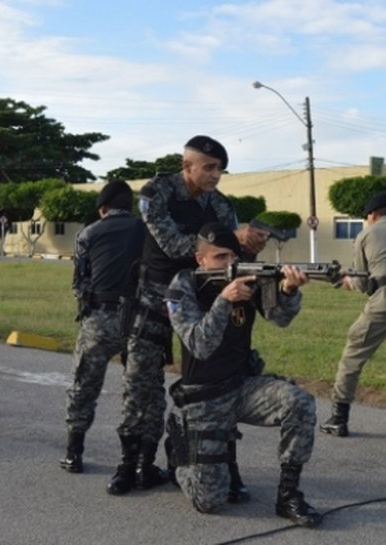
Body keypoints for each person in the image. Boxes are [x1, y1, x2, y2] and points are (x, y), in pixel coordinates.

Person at [108, 136, 268, 496]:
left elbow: (229, 255)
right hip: (153, 297)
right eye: (208, 168)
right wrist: (222, 240)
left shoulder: (221, 204)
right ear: (187, 166)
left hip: (202, 301)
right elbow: (172, 244)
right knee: (141, 382)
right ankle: (133, 464)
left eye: (220, 170)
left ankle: (220, 462)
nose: (215, 176)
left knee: (219, 378)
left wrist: (247, 244)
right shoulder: (156, 192)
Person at [165, 222, 322, 527]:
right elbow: (200, 343)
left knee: (299, 402)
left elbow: (280, 318)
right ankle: (178, 458)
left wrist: (288, 290)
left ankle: (288, 494)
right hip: (204, 397)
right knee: (210, 501)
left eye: (233, 257)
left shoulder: (249, 277)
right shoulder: (183, 286)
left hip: (242, 386)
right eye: (220, 257)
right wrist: (225, 300)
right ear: (201, 260)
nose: (229, 264)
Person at [319, 192, 386, 439]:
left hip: (385, 300)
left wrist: (343, 281)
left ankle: (339, 417)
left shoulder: (365, 235)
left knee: (353, 355)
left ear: (372, 215)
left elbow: (360, 283)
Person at [60, 181, 145, 474]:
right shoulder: (146, 230)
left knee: (84, 385)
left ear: (103, 209)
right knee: (136, 389)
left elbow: (79, 282)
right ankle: (132, 460)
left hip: (98, 318)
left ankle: (74, 453)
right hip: (138, 320)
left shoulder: (89, 233)